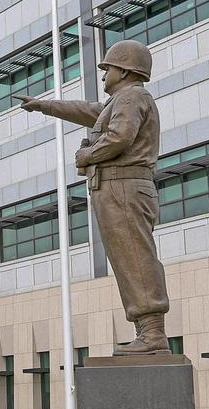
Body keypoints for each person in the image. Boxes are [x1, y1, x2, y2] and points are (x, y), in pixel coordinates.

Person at [14, 40, 169, 355]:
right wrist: (45, 106)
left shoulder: (131, 96)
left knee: (135, 259)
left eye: (107, 69)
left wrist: (86, 154)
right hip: (116, 187)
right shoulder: (122, 100)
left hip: (122, 186)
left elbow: (120, 137)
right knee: (128, 261)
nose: (103, 76)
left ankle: (152, 334)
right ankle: (146, 331)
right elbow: (89, 111)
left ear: (124, 70)